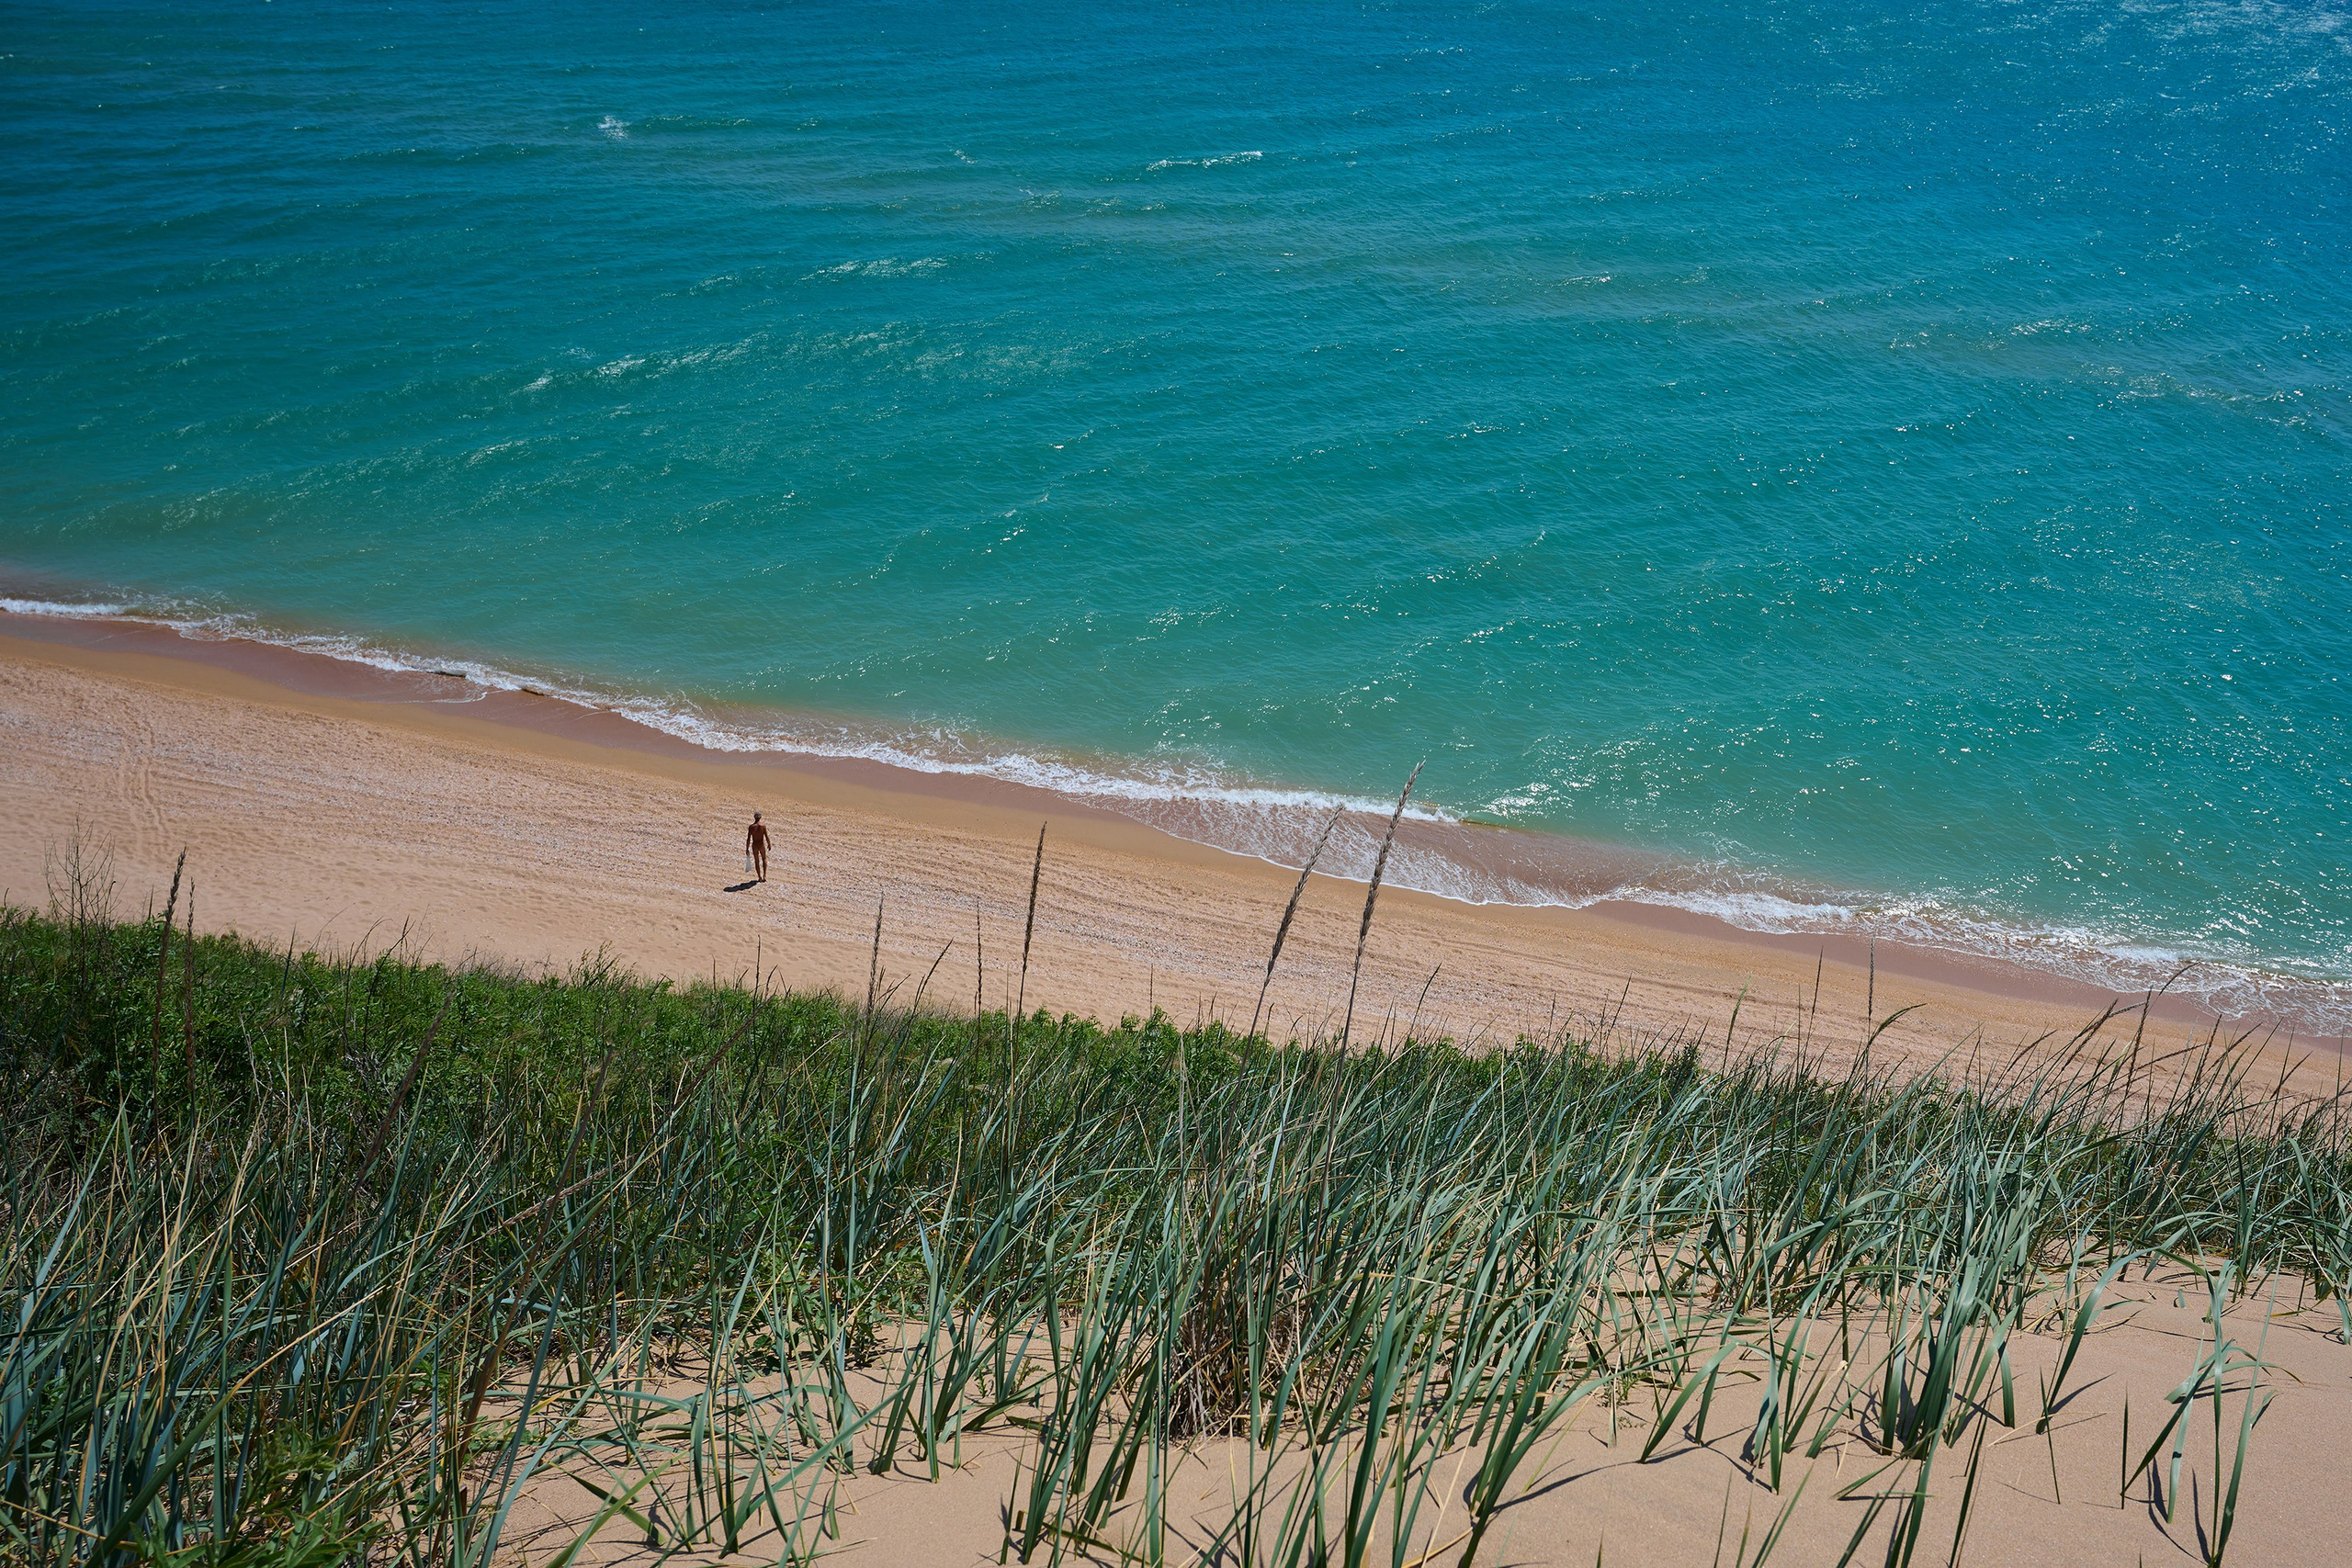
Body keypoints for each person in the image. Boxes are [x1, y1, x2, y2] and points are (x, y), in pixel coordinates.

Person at [745, 811, 771, 882]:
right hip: (761, 844)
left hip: (755, 845)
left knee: (757, 861)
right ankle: (764, 875)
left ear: (754, 817)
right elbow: (766, 836)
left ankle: (759, 876)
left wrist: (747, 848)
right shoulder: (763, 826)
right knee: (764, 858)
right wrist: (769, 844)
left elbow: (748, 839)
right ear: (760, 817)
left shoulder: (751, 827)